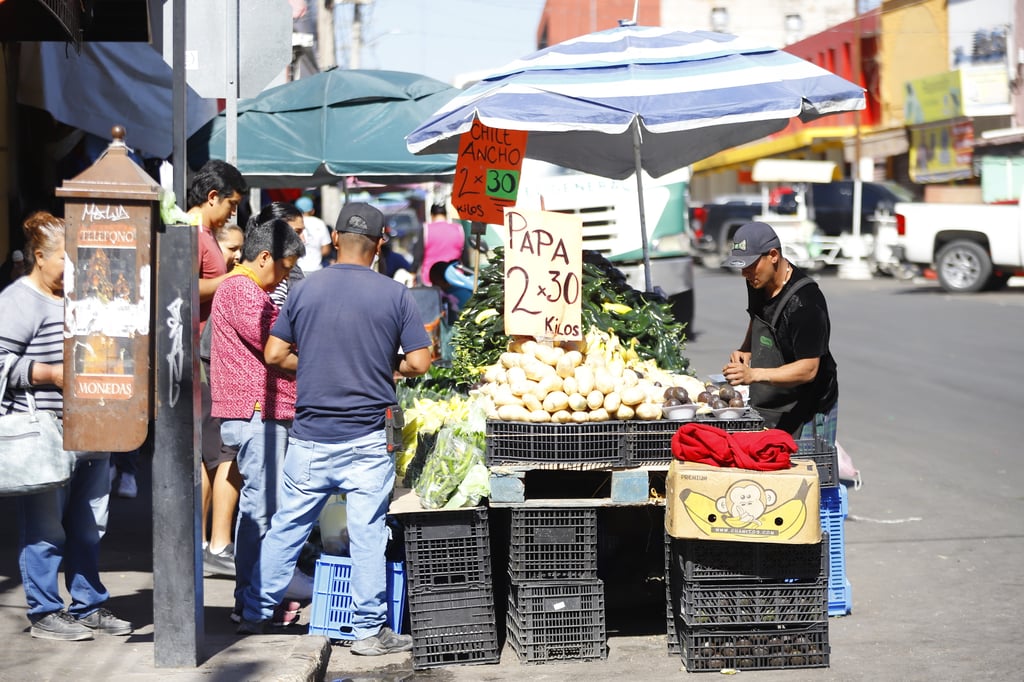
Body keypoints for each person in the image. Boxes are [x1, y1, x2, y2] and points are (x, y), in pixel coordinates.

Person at [237, 203, 432, 656]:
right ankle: (366, 633)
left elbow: (273, 353)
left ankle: (253, 613)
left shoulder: (304, 289)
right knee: (367, 533)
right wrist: (385, 368)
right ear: (380, 245)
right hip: (366, 439)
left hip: (308, 438)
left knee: (286, 528)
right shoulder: (395, 294)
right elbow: (420, 361)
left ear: (336, 239)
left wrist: (316, 366)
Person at [0, 211, 132, 641]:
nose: (72, 267)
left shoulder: (84, 294)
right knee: (45, 527)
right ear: (39, 256)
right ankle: (44, 611)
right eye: (63, 259)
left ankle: (88, 603)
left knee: (89, 523)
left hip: (93, 422)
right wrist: (51, 374)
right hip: (47, 428)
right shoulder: (17, 301)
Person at [208, 217, 304, 626]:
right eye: (283, 267)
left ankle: (254, 597)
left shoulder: (249, 290)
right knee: (262, 511)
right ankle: (251, 602)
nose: (284, 276)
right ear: (264, 257)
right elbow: (275, 344)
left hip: (260, 414)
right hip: (255, 414)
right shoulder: (241, 289)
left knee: (262, 509)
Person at [721, 221, 839, 445]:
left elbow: (808, 369)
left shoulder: (805, 303)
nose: (744, 273)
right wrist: (746, 349)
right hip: (773, 401)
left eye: (750, 265)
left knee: (807, 476)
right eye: (741, 266)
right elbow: (757, 317)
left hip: (809, 409)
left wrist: (753, 375)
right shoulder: (756, 281)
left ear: (773, 255)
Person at [186, 159, 248, 576]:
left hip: (208, 359)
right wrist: (233, 279)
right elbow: (185, 287)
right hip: (200, 362)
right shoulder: (193, 233)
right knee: (216, 454)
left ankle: (205, 545)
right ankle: (207, 546)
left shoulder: (206, 234)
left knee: (215, 454)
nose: (232, 215)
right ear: (213, 198)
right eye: (231, 205)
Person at [414, 201, 465, 286]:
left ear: (432, 215)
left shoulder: (426, 229)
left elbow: (418, 254)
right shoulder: (458, 229)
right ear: (445, 214)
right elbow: (465, 257)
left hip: (431, 278)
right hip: (455, 278)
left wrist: (413, 272)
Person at [294, 195, 331, 273]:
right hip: (316, 269)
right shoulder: (320, 223)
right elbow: (326, 249)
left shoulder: (293, 223)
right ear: (312, 211)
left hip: (297, 270)